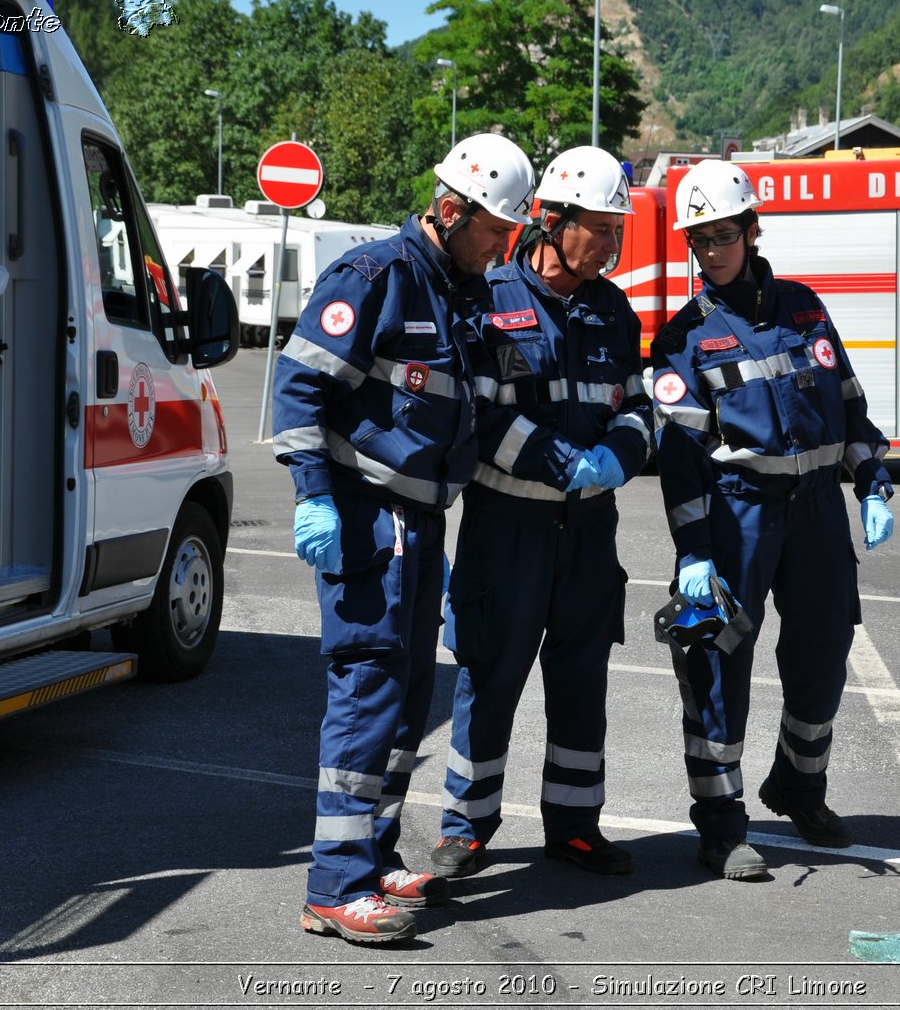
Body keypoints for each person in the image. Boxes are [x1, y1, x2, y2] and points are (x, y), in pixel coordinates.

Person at [271, 132, 536, 944]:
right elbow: (299, 384)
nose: (506, 246)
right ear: (451, 209)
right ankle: (334, 885)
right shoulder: (375, 277)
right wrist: (316, 496)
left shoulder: (461, 291)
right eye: (497, 230)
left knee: (407, 693)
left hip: (421, 521)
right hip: (367, 511)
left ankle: (375, 853)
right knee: (367, 689)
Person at [649, 158, 896, 880]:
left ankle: (797, 785)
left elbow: (848, 403)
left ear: (753, 230)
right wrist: (694, 551)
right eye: (698, 240)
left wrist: (872, 480)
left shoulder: (806, 307)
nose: (711, 250)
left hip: (817, 508)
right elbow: (680, 458)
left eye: (722, 234)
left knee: (823, 652)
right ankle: (722, 825)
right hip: (737, 516)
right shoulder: (683, 339)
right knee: (717, 664)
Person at [430, 146, 653, 880]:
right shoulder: (492, 298)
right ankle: (467, 826)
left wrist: (621, 452)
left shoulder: (612, 308)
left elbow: (639, 402)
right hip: (508, 530)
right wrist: (565, 463)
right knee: (490, 677)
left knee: (583, 678)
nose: (614, 246)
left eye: (618, 230)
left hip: (590, 533)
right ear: (553, 223)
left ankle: (575, 823)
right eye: (602, 229)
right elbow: (479, 417)